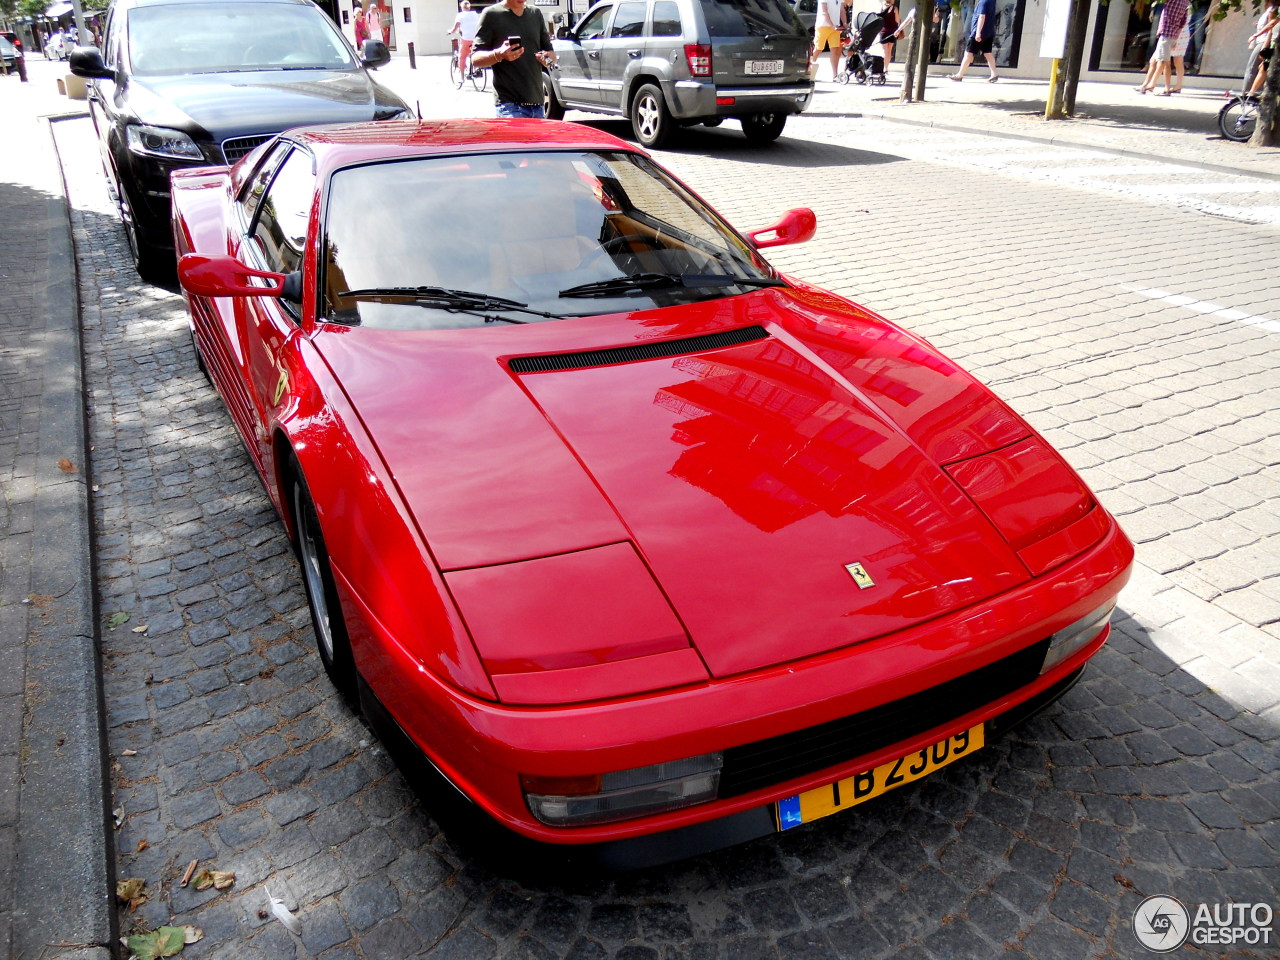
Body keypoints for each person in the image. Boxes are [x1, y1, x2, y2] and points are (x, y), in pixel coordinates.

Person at [471, 0, 556, 118]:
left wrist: (547, 58)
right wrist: (499, 54)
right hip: (509, 106)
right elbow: (475, 59)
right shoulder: (491, 14)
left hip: (538, 105)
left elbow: (551, 54)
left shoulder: (535, 13)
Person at [1135, 0, 1187, 95]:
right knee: (1153, 61)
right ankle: (1145, 85)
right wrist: (1176, 36)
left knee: (1164, 62)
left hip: (1166, 34)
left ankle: (1166, 89)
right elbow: (1183, 21)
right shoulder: (1185, 2)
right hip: (1171, 35)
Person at [948, 0, 998, 81]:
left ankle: (959, 75)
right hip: (988, 32)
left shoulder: (983, 2)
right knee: (987, 53)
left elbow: (982, 16)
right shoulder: (991, 1)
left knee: (968, 54)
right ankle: (994, 74)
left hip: (978, 33)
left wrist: (978, 33)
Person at [1246, 0, 1279, 94]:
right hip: (1274, 42)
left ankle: (1251, 94)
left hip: (1275, 42)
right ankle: (1252, 94)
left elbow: (1271, 25)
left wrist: (1256, 36)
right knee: (1264, 67)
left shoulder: (1275, 10)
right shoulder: (1274, 10)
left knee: (1264, 67)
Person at [809, 0, 846, 82]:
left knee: (835, 50)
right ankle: (808, 72)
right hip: (822, 26)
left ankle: (835, 75)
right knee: (818, 49)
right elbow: (824, 12)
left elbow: (842, 10)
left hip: (835, 27)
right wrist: (832, 25)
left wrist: (845, 23)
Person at [447, 0, 480, 77]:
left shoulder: (460, 15)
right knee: (475, 53)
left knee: (462, 56)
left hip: (466, 39)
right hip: (475, 39)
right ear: (469, 7)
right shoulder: (475, 14)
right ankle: (477, 68)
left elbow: (455, 29)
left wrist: (450, 31)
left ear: (461, 7)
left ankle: (462, 77)